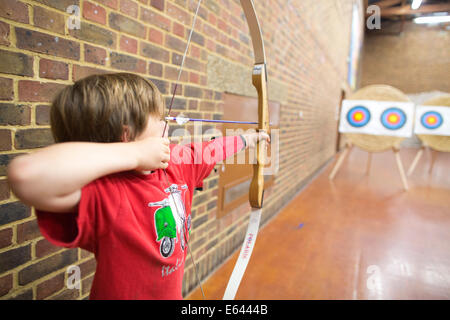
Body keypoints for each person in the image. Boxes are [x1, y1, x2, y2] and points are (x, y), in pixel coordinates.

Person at [7, 72, 269, 300]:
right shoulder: (104, 192)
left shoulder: (176, 163)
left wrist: (249, 139)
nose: (169, 124)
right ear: (127, 135)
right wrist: (133, 154)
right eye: (160, 120)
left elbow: (212, 150)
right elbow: (25, 175)